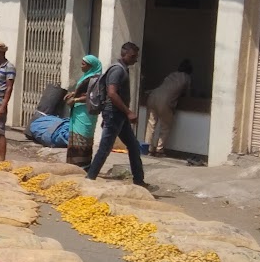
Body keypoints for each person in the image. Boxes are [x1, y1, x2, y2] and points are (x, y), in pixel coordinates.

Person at [86, 42, 146, 185]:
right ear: (124, 54)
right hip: (114, 113)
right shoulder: (117, 70)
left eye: (136, 56)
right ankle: (90, 178)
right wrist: (129, 112)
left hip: (120, 115)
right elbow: (112, 94)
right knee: (105, 147)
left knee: (133, 146)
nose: (135, 59)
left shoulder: (124, 70)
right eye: (133, 56)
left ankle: (139, 180)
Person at [143, 59, 193, 155]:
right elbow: (188, 94)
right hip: (165, 101)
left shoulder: (172, 74)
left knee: (151, 124)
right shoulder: (187, 77)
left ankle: (148, 148)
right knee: (165, 126)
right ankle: (159, 150)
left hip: (153, 95)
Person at [64, 54, 103, 170]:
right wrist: (72, 93)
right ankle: (72, 166)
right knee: (75, 139)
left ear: (91, 66)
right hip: (78, 112)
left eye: (84, 64)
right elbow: (82, 91)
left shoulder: (95, 79)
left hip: (86, 113)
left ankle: (82, 167)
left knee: (83, 138)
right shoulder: (86, 77)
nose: (81, 66)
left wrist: (76, 99)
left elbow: (93, 96)